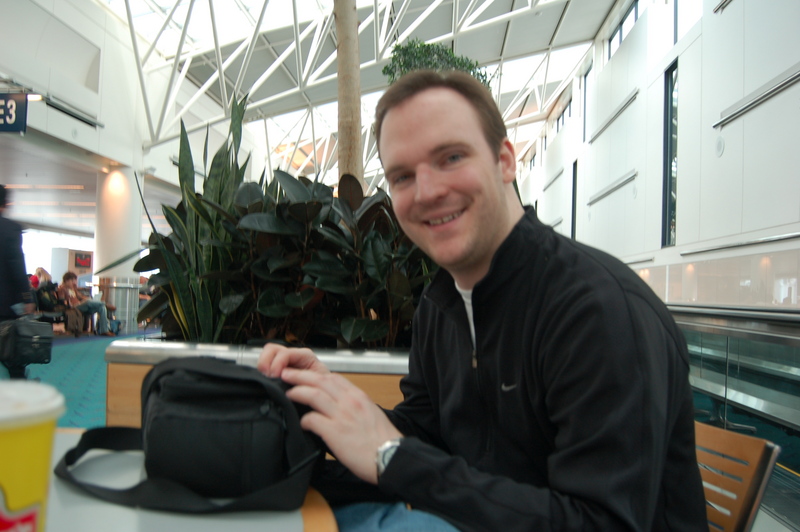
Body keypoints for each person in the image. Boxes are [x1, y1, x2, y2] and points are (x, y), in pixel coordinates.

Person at [258, 70, 706, 531]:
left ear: (505, 160)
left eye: (451, 157)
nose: (427, 191)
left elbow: (601, 522)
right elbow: (425, 438)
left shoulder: (598, 312)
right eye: (403, 176)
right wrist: (328, 410)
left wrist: (392, 456)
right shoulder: (441, 304)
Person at [0, 185, 36, 379]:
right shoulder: (10, 228)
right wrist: (26, 297)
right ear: (5, 203)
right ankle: (17, 383)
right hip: (4, 304)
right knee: (11, 349)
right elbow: (16, 265)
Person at [57, 271, 115, 336]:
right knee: (88, 302)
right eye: (72, 280)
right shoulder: (62, 289)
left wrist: (90, 299)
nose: (74, 282)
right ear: (66, 281)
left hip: (81, 305)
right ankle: (105, 304)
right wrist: (70, 304)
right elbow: (62, 301)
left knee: (102, 308)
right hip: (74, 307)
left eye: (75, 280)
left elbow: (81, 296)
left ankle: (104, 330)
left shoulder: (73, 289)